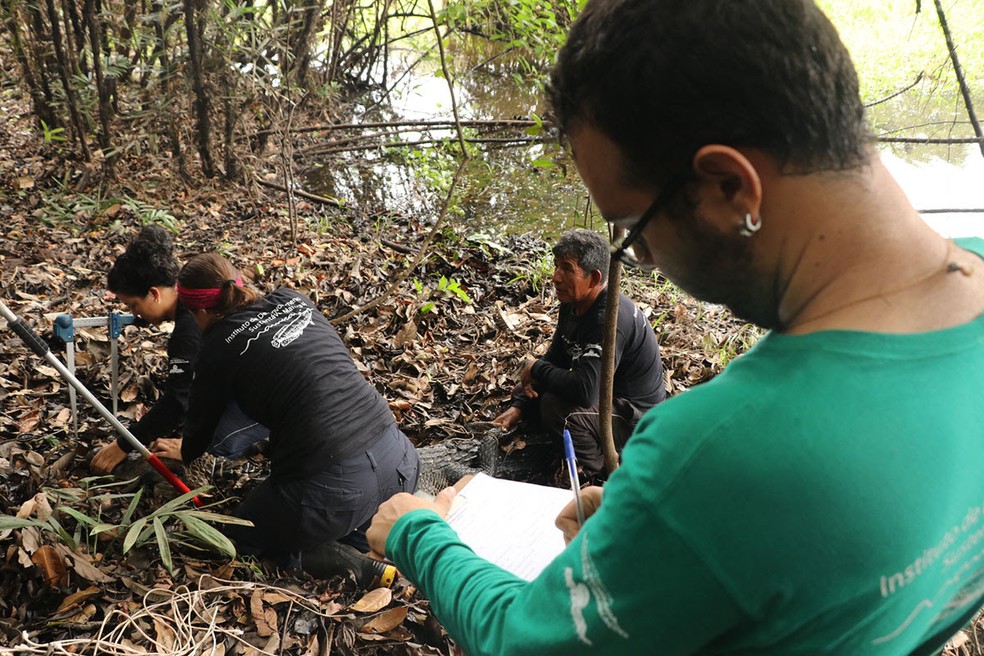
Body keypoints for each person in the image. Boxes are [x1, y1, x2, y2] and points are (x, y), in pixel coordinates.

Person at [366, 0, 984, 653]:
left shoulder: (720, 455)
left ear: (728, 187)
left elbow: (525, 641)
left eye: (634, 226)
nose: (646, 259)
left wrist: (420, 536)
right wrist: (663, 537)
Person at [154, 253, 420, 579]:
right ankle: (361, 540)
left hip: (336, 488)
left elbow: (200, 428)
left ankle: (359, 566)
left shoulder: (216, 345)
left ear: (202, 311)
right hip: (401, 460)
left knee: (238, 539)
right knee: (338, 518)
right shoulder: (292, 299)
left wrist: (187, 449)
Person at [90, 226, 267, 474]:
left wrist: (124, 444)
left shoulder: (188, 329)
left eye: (133, 305)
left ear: (153, 294)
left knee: (191, 457)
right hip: (256, 386)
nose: (133, 314)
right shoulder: (200, 297)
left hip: (261, 411)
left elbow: (177, 401)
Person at [492, 228, 665, 478]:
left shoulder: (608, 319)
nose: (555, 277)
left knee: (558, 410)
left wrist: (536, 368)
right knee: (530, 388)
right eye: (556, 266)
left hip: (637, 418)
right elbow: (556, 357)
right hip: (604, 398)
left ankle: (600, 475)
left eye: (567, 269)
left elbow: (586, 391)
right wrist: (520, 405)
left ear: (594, 279)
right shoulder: (574, 302)